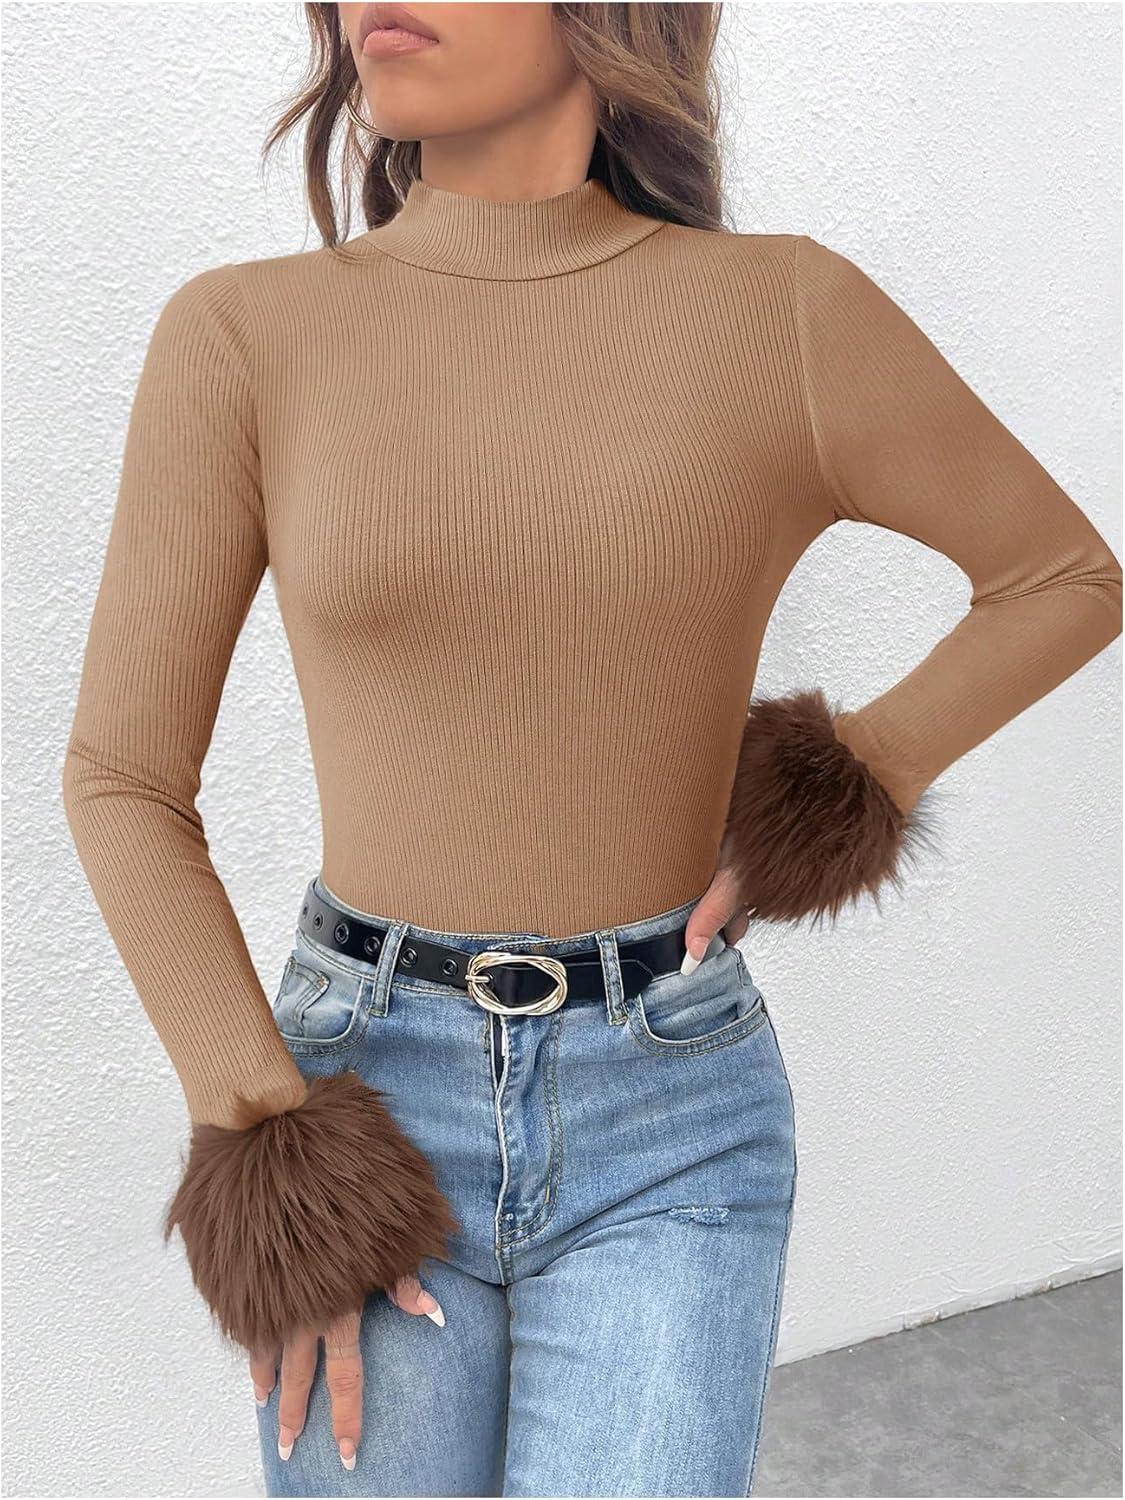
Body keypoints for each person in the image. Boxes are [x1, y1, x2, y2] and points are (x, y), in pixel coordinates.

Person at [61, 3, 1123, 1496]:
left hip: (671, 1111)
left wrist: (843, 783)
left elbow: (1060, 578)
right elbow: (121, 778)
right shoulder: (245, 333)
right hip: (360, 1097)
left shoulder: (784, 312)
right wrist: (270, 1151)